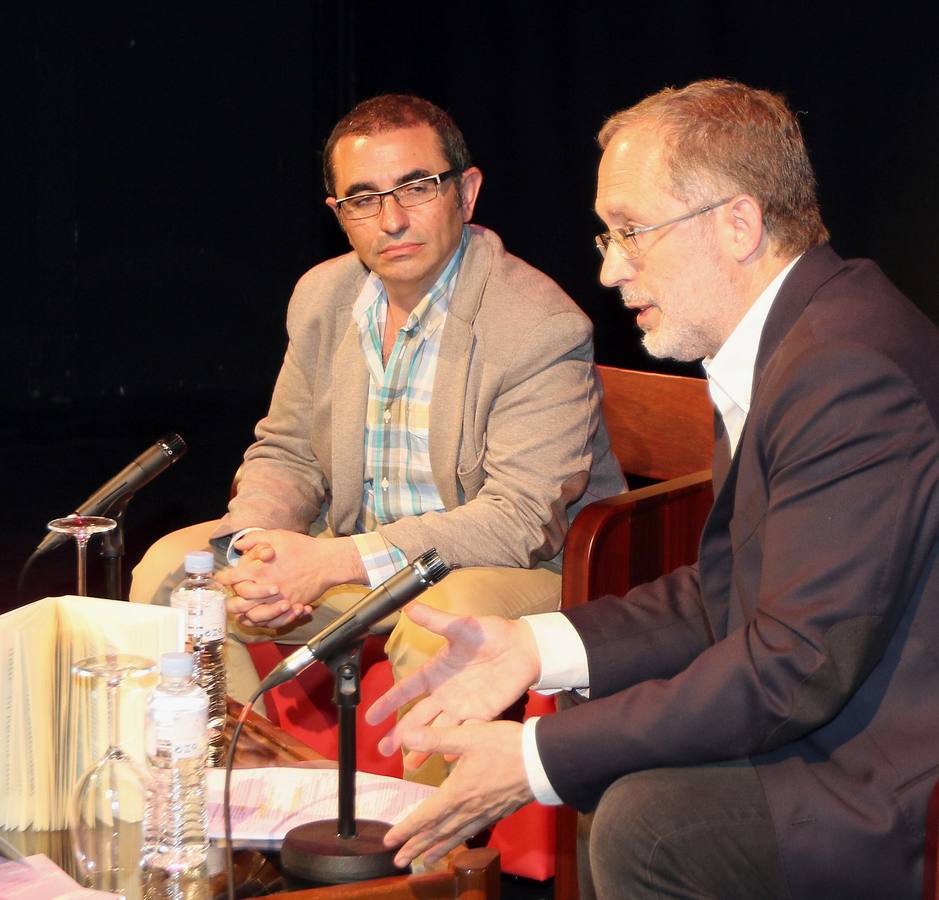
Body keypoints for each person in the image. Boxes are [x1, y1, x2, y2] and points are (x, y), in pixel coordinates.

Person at [365, 79, 939, 897]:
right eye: (606, 235)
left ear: (737, 224)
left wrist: (532, 759)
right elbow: (723, 596)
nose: (607, 269)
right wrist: (532, 646)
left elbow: (795, 663)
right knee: (620, 792)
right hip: (841, 720)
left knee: (644, 822)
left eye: (631, 232)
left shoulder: (843, 372)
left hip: (892, 776)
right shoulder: (795, 338)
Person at [130, 94, 624, 784]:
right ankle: (247, 804)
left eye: (416, 188)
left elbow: (519, 523)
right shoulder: (323, 298)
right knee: (173, 576)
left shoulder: (537, 324)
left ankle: (422, 864)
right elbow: (287, 451)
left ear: (466, 191)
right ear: (337, 214)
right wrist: (258, 548)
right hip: (357, 554)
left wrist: (330, 563)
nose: (391, 219)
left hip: (511, 569)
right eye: (363, 199)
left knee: (436, 620)